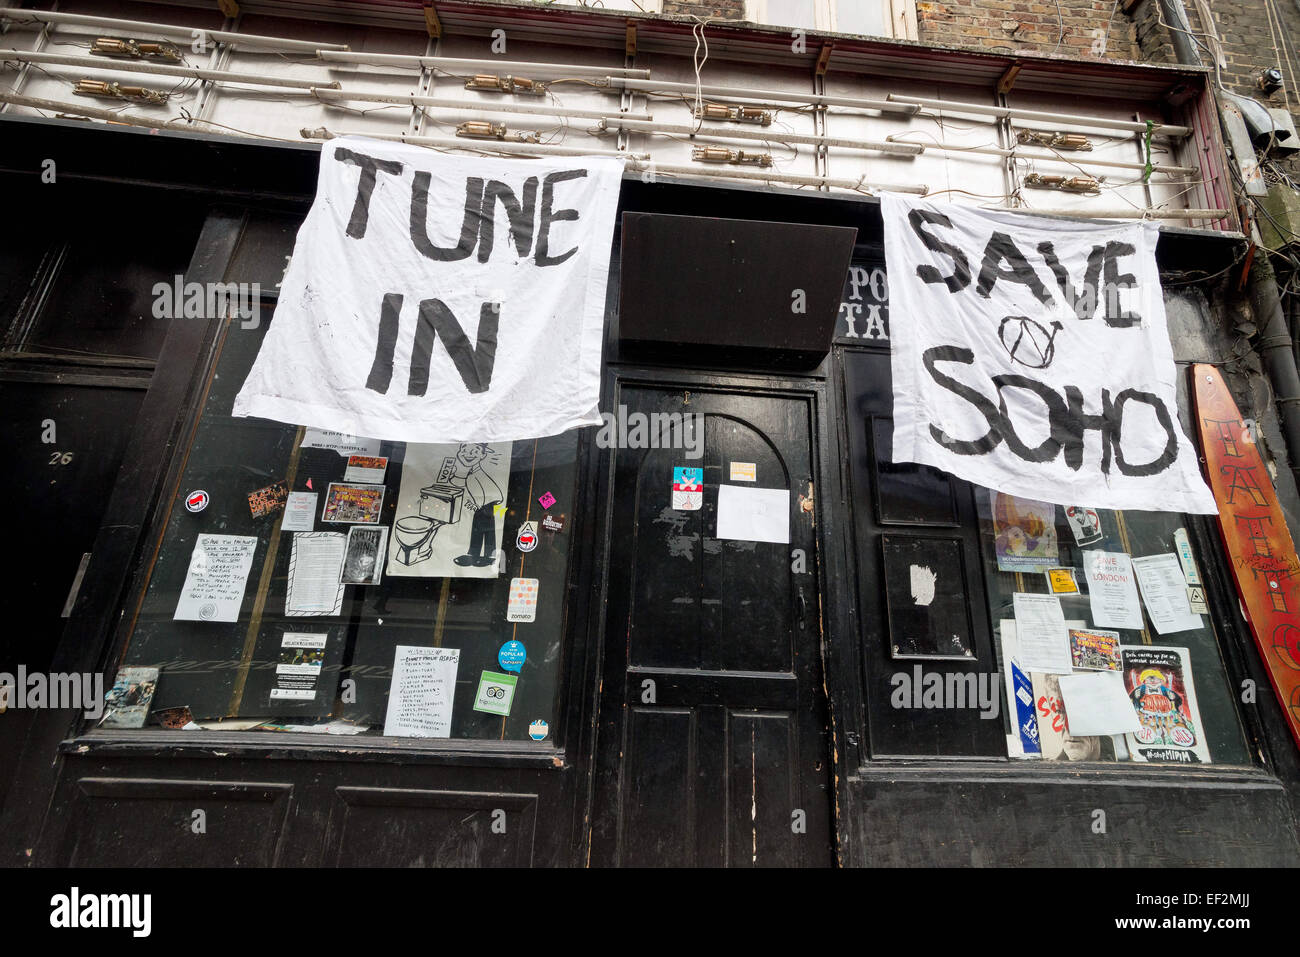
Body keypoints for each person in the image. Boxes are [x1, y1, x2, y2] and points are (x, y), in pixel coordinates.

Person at [451, 443, 504, 567]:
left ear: (483, 455)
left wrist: (480, 506)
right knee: (480, 530)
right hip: (484, 507)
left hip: (486, 507)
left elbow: (493, 495)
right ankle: (477, 554)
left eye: (475, 451)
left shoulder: (477, 474)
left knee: (485, 531)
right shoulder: (472, 473)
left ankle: (487, 556)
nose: (468, 454)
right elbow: (460, 483)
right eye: (464, 450)